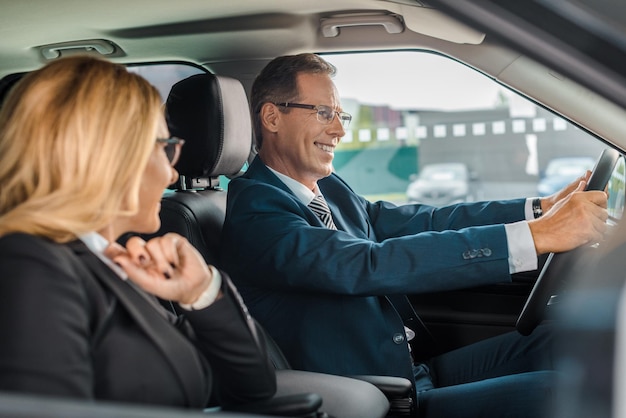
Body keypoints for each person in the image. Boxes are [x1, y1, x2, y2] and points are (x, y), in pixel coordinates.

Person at [220, 53, 608, 417]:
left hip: (408, 368)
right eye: (324, 113)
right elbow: (368, 264)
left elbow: (425, 221)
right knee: (554, 393)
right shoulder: (257, 214)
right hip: (375, 395)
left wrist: (538, 209)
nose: (338, 129)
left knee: (561, 341)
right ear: (272, 117)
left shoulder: (328, 188)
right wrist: (534, 238)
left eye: (340, 115)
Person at [0, 56, 276, 410]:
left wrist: (201, 291)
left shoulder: (108, 261)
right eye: (166, 148)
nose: (172, 175)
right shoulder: (32, 266)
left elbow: (252, 388)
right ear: (112, 158)